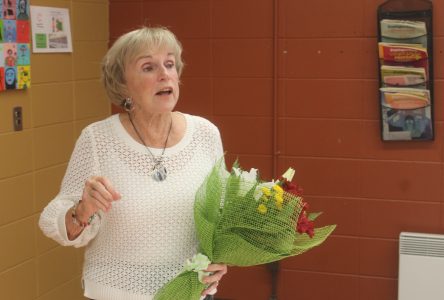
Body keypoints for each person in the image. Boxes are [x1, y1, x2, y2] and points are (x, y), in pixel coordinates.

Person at [39, 27, 227, 300]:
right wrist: (83, 209)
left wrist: (222, 258)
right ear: (122, 83)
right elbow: (54, 221)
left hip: (192, 292)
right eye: (148, 67)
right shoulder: (98, 139)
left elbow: (221, 214)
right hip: (115, 294)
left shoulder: (206, 133)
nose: (164, 74)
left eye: (170, 64)